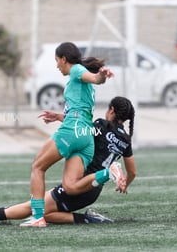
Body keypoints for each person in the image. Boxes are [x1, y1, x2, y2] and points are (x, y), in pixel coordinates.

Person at [0, 96, 136, 226]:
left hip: (80, 183)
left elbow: (80, 126)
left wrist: (58, 117)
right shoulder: (126, 140)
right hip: (92, 189)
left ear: (111, 110)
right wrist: (124, 183)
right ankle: (88, 218)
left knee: (34, 208)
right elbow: (133, 172)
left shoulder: (102, 125)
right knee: (43, 212)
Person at [22, 42, 114, 227]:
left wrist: (100, 76)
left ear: (64, 59)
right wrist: (58, 116)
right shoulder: (81, 80)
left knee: (37, 167)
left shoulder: (76, 70)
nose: (57, 65)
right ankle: (107, 173)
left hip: (72, 131)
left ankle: (38, 217)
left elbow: (95, 79)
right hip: (86, 135)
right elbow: (82, 106)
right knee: (70, 184)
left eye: (57, 61)